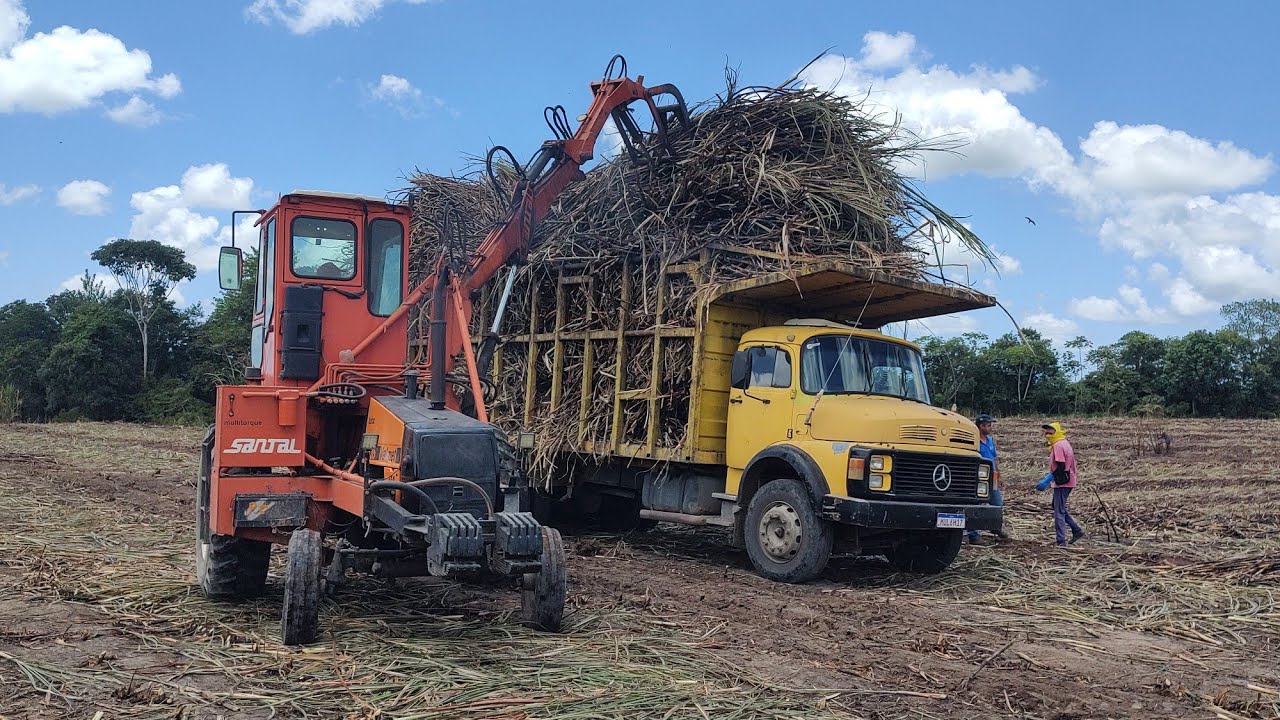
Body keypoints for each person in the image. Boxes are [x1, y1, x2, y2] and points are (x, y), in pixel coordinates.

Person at [1042, 421, 1085, 546]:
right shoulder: (1064, 443)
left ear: (1057, 431)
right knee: (1057, 506)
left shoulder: (1058, 446)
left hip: (1062, 481)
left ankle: (1061, 541)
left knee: (1058, 511)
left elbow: (1060, 465)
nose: (1048, 434)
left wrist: (1048, 478)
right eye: (1046, 431)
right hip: (1069, 479)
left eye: (1050, 431)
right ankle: (1076, 530)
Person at [967, 414, 1008, 545]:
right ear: (981, 426)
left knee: (997, 503)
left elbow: (994, 458)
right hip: (978, 478)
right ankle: (974, 535)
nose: (990, 428)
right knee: (976, 505)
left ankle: (995, 526)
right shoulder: (973, 441)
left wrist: (999, 475)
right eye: (988, 425)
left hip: (992, 478)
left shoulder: (990, 440)